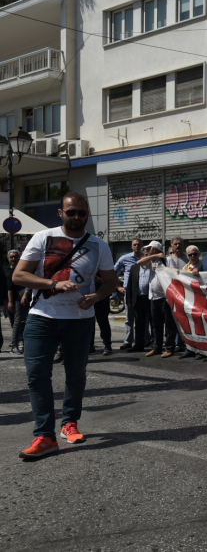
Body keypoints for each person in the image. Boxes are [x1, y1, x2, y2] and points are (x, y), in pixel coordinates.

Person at [15, 192, 117, 459]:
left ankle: (69, 422)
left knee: (76, 374)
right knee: (37, 375)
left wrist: (96, 296)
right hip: (42, 317)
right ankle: (44, 436)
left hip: (80, 321)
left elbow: (111, 282)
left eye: (81, 212)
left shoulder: (99, 245)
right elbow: (19, 275)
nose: (76, 217)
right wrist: (53, 284)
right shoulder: (43, 237)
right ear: (61, 213)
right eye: (71, 212)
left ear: (87, 214)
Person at [135, 242, 176, 357]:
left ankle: (169, 348)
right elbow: (139, 262)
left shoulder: (168, 260)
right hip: (153, 297)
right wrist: (155, 256)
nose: (146, 251)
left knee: (169, 324)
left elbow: (174, 274)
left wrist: (161, 267)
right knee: (155, 324)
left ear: (154, 249)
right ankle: (157, 347)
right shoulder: (151, 261)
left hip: (165, 297)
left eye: (149, 249)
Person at [124, 239, 153, 353]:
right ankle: (138, 344)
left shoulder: (153, 267)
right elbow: (130, 285)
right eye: (145, 255)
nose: (146, 257)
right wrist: (129, 300)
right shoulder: (134, 267)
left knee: (153, 322)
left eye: (148, 255)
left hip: (151, 298)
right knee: (139, 323)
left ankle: (155, 344)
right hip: (138, 299)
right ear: (141, 256)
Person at [114, 239, 143, 349]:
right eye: (135, 245)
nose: (137, 246)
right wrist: (118, 287)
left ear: (142, 246)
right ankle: (128, 341)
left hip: (142, 292)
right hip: (129, 292)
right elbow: (113, 272)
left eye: (139, 244)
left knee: (143, 318)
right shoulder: (125, 258)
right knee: (129, 318)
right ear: (131, 246)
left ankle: (145, 340)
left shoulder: (145, 258)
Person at [164, 237, 188, 354]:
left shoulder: (188, 259)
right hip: (170, 295)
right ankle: (171, 345)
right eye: (175, 244)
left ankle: (181, 343)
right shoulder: (166, 260)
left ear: (183, 245)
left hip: (185, 295)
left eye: (180, 244)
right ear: (172, 246)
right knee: (170, 322)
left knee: (182, 320)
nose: (178, 246)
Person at [5, 249, 29, 354]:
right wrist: (10, 301)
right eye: (12, 257)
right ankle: (14, 345)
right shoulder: (16, 270)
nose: (14, 259)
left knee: (29, 322)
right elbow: (10, 288)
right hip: (18, 299)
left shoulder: (32, 267)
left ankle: (26, 345)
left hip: (31, 298)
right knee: (17, 322)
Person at [90, 273, 113, 356]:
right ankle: (90, 347)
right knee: (89, 323)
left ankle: (107, 345)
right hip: (88, 297)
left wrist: (99, 280)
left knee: (103, 323)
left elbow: (111, 282)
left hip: (102, 297)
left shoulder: (103, 267)